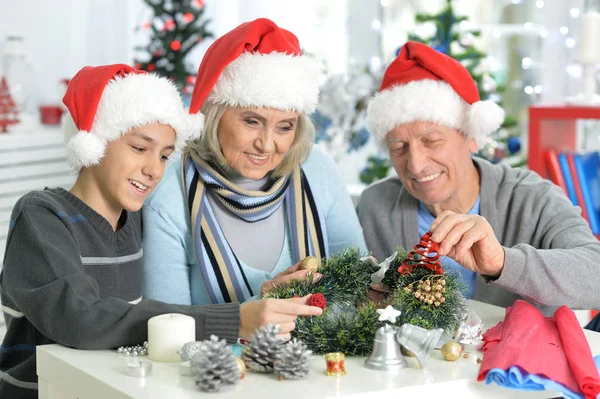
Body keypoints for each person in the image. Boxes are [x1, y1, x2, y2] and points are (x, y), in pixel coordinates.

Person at [0, 64, 322, 398]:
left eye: (165, 155)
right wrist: (234, 320)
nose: (154, 169)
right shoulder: (42, 215)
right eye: (139, 148)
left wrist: (261, 300)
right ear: (95, 141)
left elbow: (149, 317)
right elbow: (80, 319)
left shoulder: (137, 221)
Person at [358, 41, 600, 311]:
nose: (415, 165)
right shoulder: (375, 207)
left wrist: (502, 262)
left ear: (471, 137)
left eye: (432, 141)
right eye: (398, 147)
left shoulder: (532, 198)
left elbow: (596, 275)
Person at [143, 18, 367, 307]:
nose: (266, 144)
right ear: (214, 115)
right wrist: (259, 306)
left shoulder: (318, 168)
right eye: (251, 121)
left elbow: (360, 289)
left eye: (284, 127)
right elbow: (166, 327)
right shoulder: (169, 193)